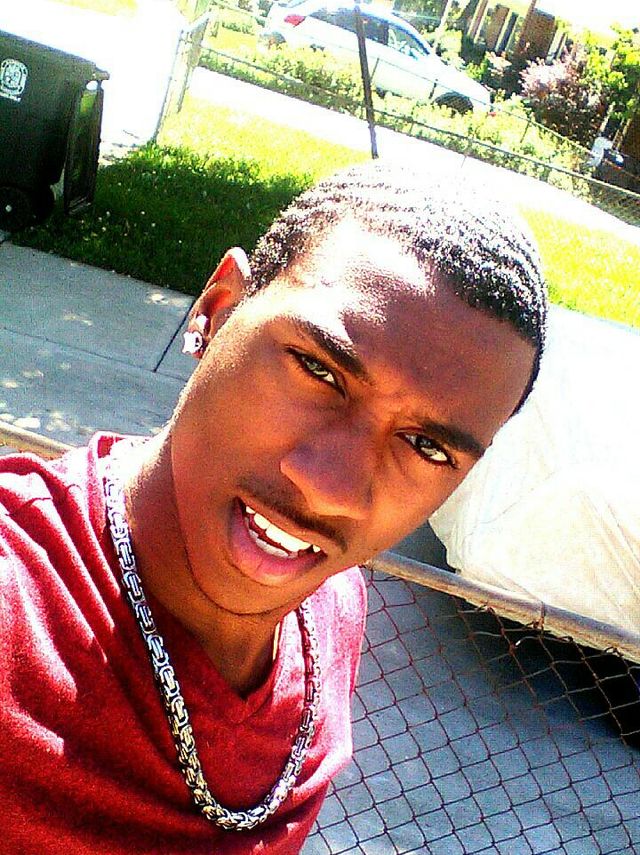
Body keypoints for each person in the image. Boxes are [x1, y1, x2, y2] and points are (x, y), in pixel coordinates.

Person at [0, 160, 547, 854]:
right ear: (217, 309)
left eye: (427, 446)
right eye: (319, 369)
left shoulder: (333, 610)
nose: (331, 488)